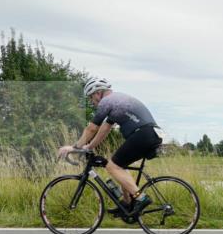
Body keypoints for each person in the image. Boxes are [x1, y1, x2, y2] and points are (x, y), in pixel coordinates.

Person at [58, 78, 161, 213]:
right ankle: (127, 203)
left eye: (90, 97)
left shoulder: (107, 101)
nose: (91, 101)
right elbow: (104, 129)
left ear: (98, 93)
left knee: (112, 166)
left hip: (141, 135)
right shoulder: (117, 101)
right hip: (147, 134)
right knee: (120, 166)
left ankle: (141, 198)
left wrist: (74, 147)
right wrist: (89, 147)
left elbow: (92, 128)